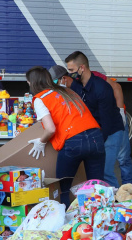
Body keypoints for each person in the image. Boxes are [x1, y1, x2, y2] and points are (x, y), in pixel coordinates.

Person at [25, 66, 105, 205]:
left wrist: (41, 141)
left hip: (73, 141)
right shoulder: (67, 90)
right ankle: (100, 215)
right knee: (97, 187)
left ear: (32, 82)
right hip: (96, 137)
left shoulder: (40, 98)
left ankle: (65, 216)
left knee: (63, 189)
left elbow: (50, 129)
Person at [64, 52, 132, 187]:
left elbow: (106, 122)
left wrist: (96, 142)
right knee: (97, 172)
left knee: (106, 172)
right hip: (99, 131)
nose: (70, 74)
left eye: (72, 70)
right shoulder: (79, 85)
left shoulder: (101, 88)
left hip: (111, 132)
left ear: (82, 68)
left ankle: (117, 198)